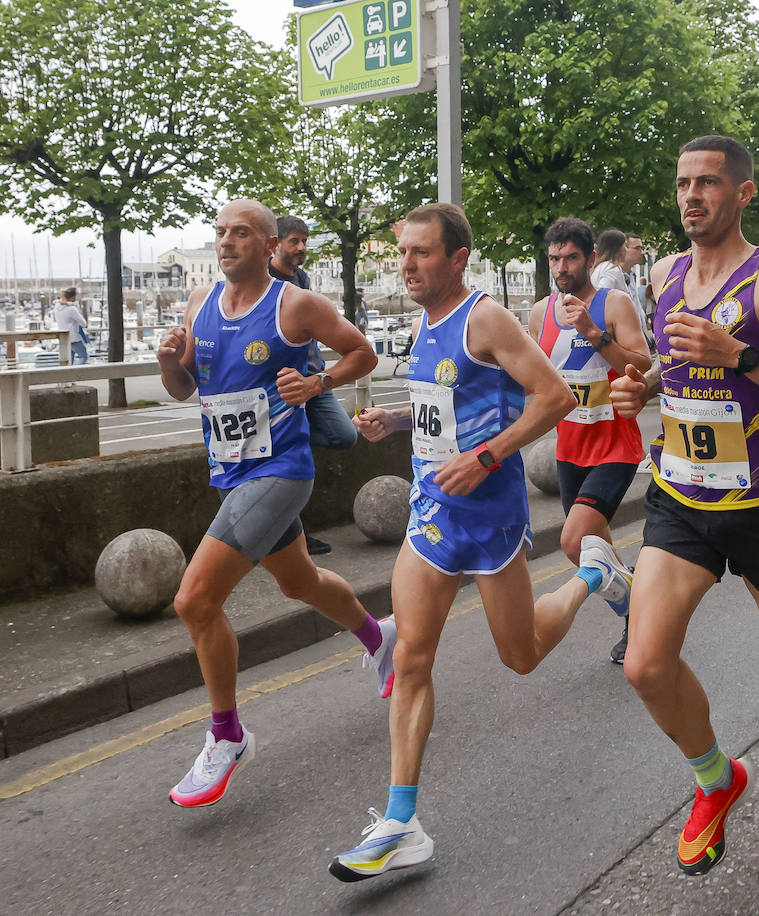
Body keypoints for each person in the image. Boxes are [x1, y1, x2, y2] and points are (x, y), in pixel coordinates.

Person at [331, 203, 632, 882]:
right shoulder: (421, 323)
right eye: (402, 253)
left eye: (422, 254)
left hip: (490, 517)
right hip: (432, 514)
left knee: (521, 655)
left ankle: (592, 576)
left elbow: (552, 396)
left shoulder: (486, 318)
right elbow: (449, 403)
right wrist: (399, 421)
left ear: (458, 258)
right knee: (410, 656)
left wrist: (489, 458)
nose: (407, 265)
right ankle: (400, 822)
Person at [609, 135, 759, 876]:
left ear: (742, 193)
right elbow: (674, 359)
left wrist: (742, 355)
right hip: (681, 498)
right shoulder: (663, 274)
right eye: (683, 183)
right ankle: (719, 780)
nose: (692, 195)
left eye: (708, 183)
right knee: (646, 666)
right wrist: (644, 385)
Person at [156, 199, 394, 808]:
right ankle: (378, 637)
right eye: (220, 233)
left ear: (269, 246)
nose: (227, 242)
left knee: (195, 599)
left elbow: (363, 352)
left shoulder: (295, 305)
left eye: (241, 233)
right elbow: (185, 388)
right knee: (300, 582)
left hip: (283, 470)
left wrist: (319, 383)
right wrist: (166, 364)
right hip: (232, 473)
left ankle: (227, 735)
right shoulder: (199, 304)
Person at [531, 216, 653, 664]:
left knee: (572, 542)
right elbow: (534, 381)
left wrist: (594, 334)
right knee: (594, 547)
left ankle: (634, 613)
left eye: (570, 258)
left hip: (615, 446)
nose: (561, 267)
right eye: (554, 258)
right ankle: (638, 613)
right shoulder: (540, 313)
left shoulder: (613, 303)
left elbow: (639, 368)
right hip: (569, 449)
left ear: (591, 258)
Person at [270, 214, 357, 555]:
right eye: (294, 241)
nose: (302, 247)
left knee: (344, 435)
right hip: (283, 387)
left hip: (314, 378)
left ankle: (293, 441)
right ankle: (295, 536)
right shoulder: (263, 280)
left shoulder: (302, 279)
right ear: (275, 243)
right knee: (292, 459)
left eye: (304, 240)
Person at [53, 287, 89, 365]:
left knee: (70, 360)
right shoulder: (72, 309)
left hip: (64, 338)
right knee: (83, 357)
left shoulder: (56, 306)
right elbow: (84, 324)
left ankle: (69, 376)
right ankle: (76, 373)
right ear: (73, 297)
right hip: (74, 338)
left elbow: (59, 302)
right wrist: (76, 307)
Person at [591, 229, 632, 293]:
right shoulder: (611, 270)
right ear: (618, 248)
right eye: (625, 245)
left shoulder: (600, 267)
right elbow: (603, 293)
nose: (627, 250)